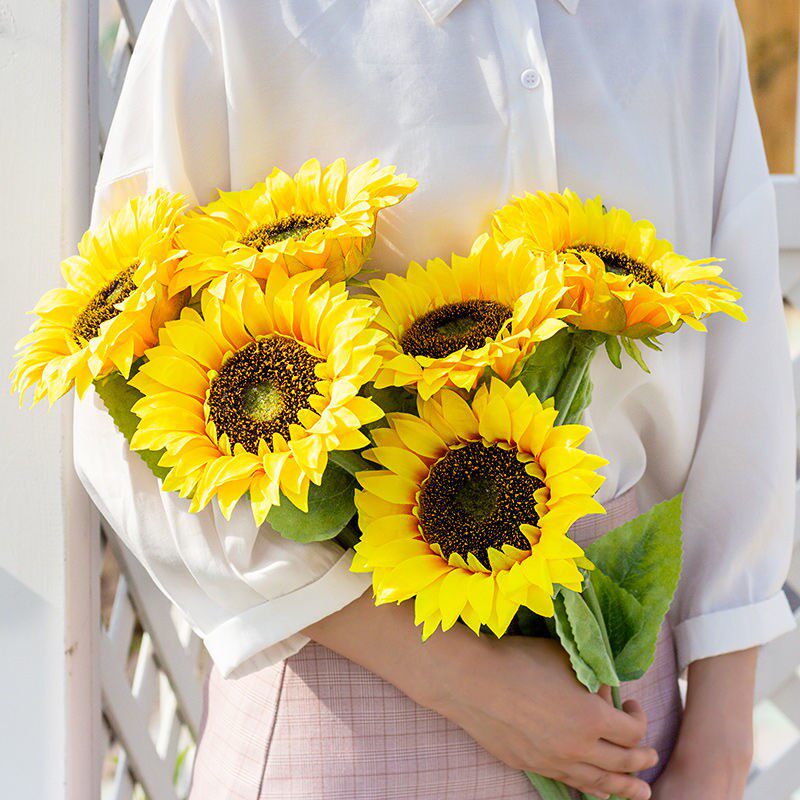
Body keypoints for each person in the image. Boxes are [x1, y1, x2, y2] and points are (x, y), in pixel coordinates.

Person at [74, 1, 796, 798]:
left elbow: (744, 375)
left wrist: (722, 745)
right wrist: (460, 678)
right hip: (341, 692)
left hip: (625, 713)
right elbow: (124, 409)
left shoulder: (681, 18)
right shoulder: (234, 15)